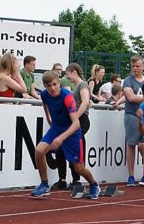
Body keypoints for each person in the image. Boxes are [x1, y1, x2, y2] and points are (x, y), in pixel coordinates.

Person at [31, 70, 99, 200]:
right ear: (45, 86)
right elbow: (46, 107)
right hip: (56, 128)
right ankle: (44, 184)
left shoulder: (67, 96)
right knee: (39, 151)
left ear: (59, 83)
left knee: (78, 168)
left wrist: (61, 138)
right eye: (49, 86)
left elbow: (76, 124)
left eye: (55, 84)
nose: (53, 88)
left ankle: (94, 184)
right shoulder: (44, 95)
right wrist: (50, 121)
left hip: (72, 132)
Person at [122, 56, 144, 186]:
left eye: (137, 66)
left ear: (142, 67)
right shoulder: (128, 81)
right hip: (132, 115)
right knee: (131, 144)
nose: (135, 68)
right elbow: (130, 97)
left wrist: (143, 98)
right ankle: (131, 175)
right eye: (133, 66)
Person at [64, 64, 92, 189]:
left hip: (81, 119)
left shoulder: (82, 85)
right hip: (78, 119)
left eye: (67, 73)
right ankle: (76, 178)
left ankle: (78, 178)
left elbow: (85, 102)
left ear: (74, 72)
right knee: (73, 145)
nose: (67, 76)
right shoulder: (76, 86)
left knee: (76, 145)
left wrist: (75, 116)